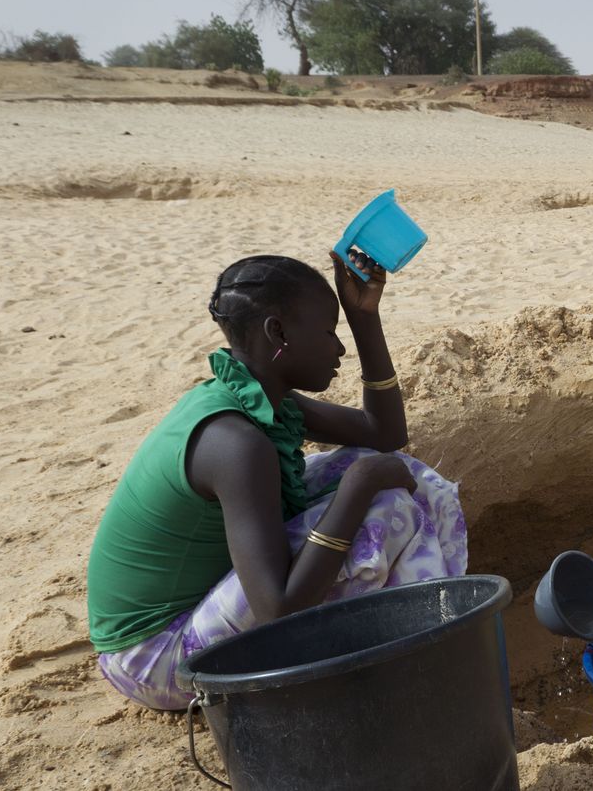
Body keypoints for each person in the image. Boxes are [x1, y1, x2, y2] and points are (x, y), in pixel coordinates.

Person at [86, 251, 467, 710]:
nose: (339, 349)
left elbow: (384, 435)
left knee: (393, 474)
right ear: (278, 333)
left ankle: (430, 628)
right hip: (157, 658)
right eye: (330, 332)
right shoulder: (235, 444)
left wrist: (364, 317)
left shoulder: (259, 396)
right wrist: (358, 487)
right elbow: (279, 609)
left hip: (205, 611)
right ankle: (414, 664)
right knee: (387, 508)